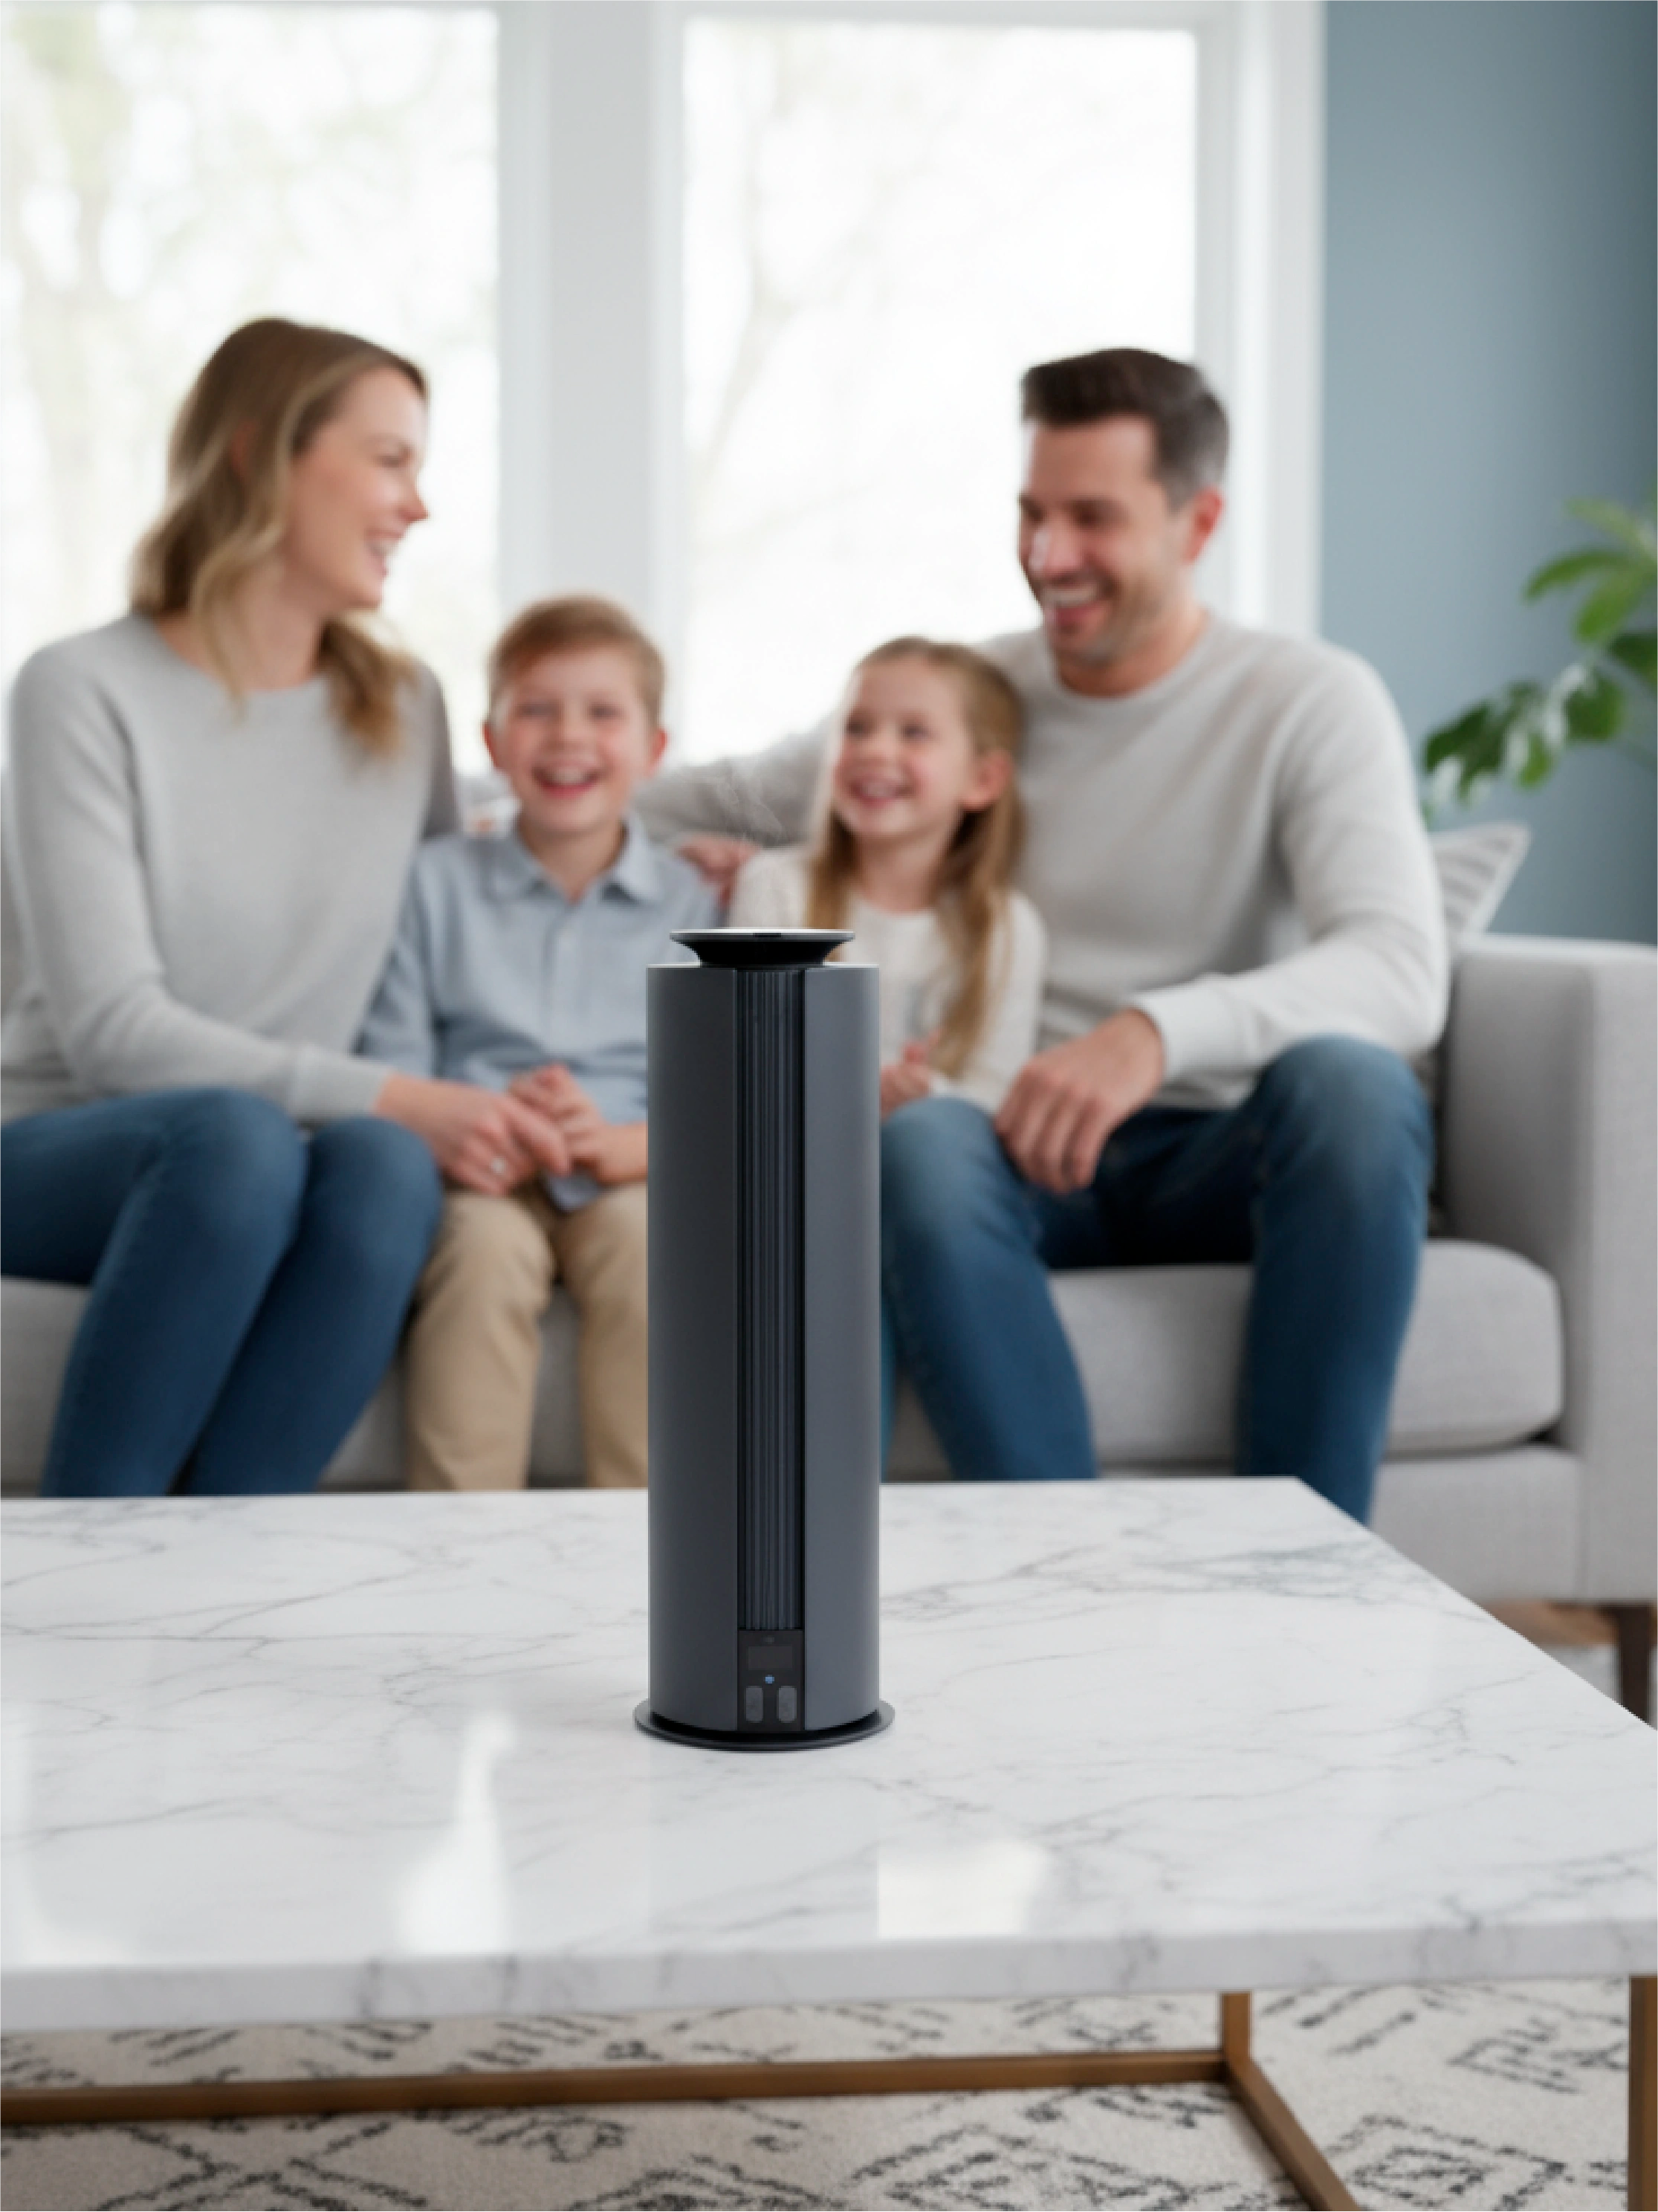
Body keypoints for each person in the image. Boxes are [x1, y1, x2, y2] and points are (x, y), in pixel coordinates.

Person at [641, 348, 1448, 1521]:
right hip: (1008, 1146)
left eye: (1090, 519)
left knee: (1359, 1090)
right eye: (1029, 514)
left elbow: (1396, 969)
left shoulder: (1306, 701)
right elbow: (676, 794)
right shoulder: (967, 699)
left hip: (1216, 1143)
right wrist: (640, 865)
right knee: (920, 1144)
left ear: (1197, 520)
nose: (1045, 558)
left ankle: (1304, 1572)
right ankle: (1061, 1568)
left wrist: (1149, 1035)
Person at [0, 316, 567, 1498]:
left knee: (383, 1168)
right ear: (259, 457)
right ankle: (80, 1572)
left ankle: (218, 1597)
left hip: (275, 1154)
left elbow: (455, 911)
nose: (417, 506)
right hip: (67, 1146)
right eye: (390, 459)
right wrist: (403, 1095)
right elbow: (114, 1034)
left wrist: (692, 842)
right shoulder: (81, 691)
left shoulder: (400, 706)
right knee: (239, 1139)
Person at [359, 595, 719, 1492]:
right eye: (536, 709)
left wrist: (617, 1145)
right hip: (478, 1165)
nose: (568, 737)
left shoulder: (691, 905)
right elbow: (398, 1059)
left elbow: (715, 1092)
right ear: (489, 742)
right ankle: (459, 1544)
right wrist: (485, 1121)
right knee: (481, 1259)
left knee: (649, 1251)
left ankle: (642, 1540)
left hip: (626, 1171)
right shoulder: (434, 885)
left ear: (653, 750)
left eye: (603, 713)